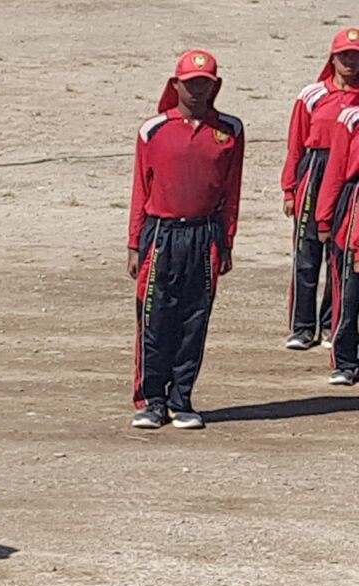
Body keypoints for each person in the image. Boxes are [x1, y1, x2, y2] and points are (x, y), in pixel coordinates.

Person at [127, 49, 242, 430]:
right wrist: (133, 244)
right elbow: (140, 190)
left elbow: (232, 193)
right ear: (175, 85)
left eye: (204, 84)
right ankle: (151, 400)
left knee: (195, 320)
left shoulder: (230, 131)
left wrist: (226, 242)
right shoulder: (153, 129)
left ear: (215, 86)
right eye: (190, 83)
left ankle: (182, 399)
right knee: (155, 318)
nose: (197, 91)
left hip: (204, 234)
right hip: (160, 234)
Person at [283, 30, 359, 351]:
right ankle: (302, 327)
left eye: (356, 56)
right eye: (345, 56)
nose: (351, 62)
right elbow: (295, 144)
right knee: (307, 252)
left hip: (348, 176)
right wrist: (289, 190)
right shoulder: (312, 95)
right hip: (314, 170)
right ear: (333, 58)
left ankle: (331, 323)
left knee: (339, 255)